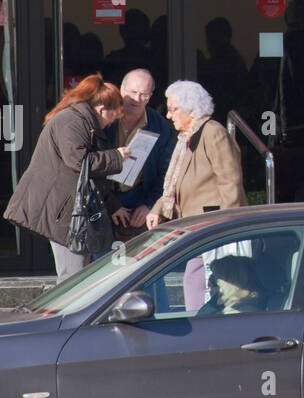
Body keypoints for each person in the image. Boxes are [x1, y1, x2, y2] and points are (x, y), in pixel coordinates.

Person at [3, 75, 131, 277]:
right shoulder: (71, 121)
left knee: (79, 272)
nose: (113, 121)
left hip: (70, 208)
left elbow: (91, 178)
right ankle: (69, 310)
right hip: (63, 210)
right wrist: (116, 156)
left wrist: (113, 205)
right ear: (101, 109)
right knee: (73, 275)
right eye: (114, 115)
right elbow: (79, 162)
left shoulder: (83, 122)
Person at [146, 80, 247, 306]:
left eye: (173, 109)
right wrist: (158, 208)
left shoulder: (212, 132)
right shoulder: (188, 138)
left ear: (191, 109)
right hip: (197, 225)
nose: (169, 115)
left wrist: (229, 227)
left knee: (198, 282)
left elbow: (230, 180)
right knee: (196, 281)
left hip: (212, 226)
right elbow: (180, 183)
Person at [107, 69, 177, 239]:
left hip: (139, 198)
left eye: (144, 95)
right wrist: (110, 204)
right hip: (105, 198)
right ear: (121, 90)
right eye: (133, 92)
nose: (137, 99)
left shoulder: (161, 128)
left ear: (151, 96)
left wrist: (150, 204)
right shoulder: (105, 119)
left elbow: (166, 173)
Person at [196, 255, 263, 316]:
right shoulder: (225, 306)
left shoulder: (241, 313)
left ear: (232, 283)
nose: (209, 284)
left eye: (214, 280)